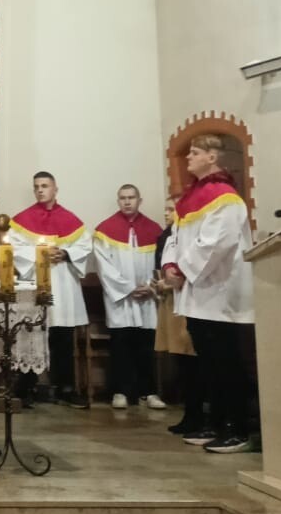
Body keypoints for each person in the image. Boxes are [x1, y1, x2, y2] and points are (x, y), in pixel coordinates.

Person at [160, 135, 255, 453]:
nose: (188, 157)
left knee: (226, 362)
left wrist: (182, 269)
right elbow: (174, 237)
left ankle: (237, 428)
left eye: (195, 152)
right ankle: (214, 422)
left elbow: (218, 242)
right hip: (196, 291)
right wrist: (170, 265)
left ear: (212, 157)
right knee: (208, 363)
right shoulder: (191, 197)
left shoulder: (225, 197)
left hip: (220, 291)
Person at [7, 171, 93, 408]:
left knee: (62, 337)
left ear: (55, 189)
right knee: (30, 335)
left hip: (63, 284)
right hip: (36, 282)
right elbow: (13, 247)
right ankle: (26, 387)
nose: (40, 190)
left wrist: (65, 253)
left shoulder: (70, 219)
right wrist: (40, 253)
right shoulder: (23, 220)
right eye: (36, 186)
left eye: (45, 186)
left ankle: (65, 388)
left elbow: (84, 245)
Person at [93, 184, 166, 411]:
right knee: (121, 345)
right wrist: (127, 288)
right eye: (123, 198)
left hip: (146, 298)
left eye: (131, 197)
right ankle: (120, 391)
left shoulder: (154, 230)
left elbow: (162, 261)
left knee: (146, 345)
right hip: (121, 300)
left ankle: (149, 392)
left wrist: (151, 286)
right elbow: (104, 266)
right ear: (118, 201)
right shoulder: (105, 230)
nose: (127, 202)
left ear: (139, 200)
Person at [151, 195, 206, 437]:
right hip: (170, 300)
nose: (167, 213)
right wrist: (160, 282)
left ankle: (198, 414)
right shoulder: (167, 235)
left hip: (186, 299)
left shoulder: (189, 233)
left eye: (171, 209)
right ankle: (189, 414)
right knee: (180, 360)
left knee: (191, 360)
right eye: (166, 209)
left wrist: (169, 282)